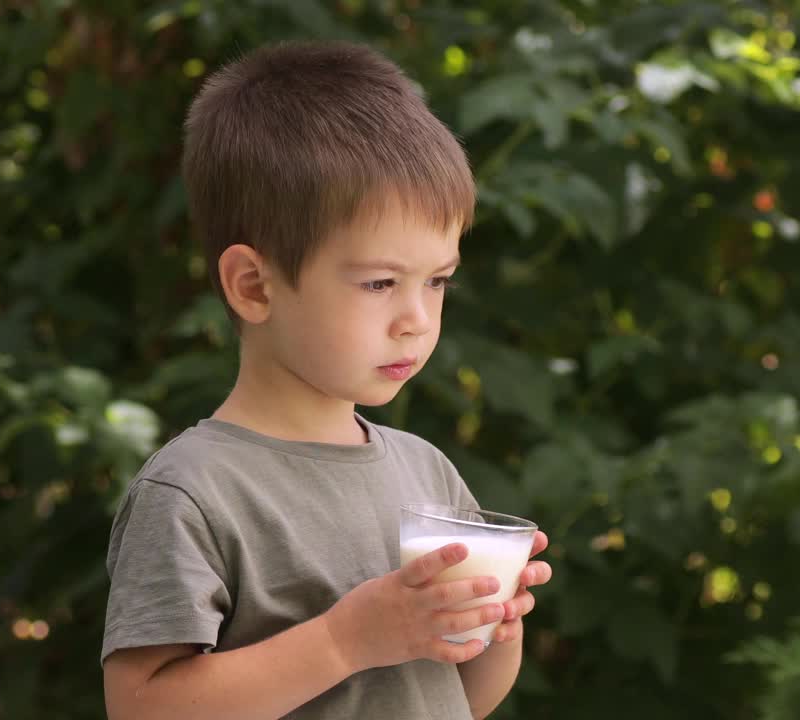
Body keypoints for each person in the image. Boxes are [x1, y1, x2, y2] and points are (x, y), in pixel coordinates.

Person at [100, 41, 552, 720]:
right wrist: (344, 641)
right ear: (254, 286)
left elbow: (457, 702)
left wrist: (491, 629)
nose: (416, 320)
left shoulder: (426, 472)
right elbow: (141, 708)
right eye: (379, 283)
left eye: (436, 282)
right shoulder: (195, 493)